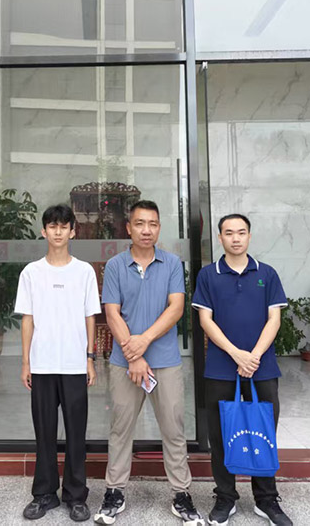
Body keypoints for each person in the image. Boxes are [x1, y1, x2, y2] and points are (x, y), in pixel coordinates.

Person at [94, 200, 204, 526]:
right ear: (128, 228)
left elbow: (176, 308)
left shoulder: (172, 264)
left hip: (165, 362)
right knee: (120, 429)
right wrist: (135, 354)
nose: (146, 230)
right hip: (125, 363)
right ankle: (114, 492)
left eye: (153, 224)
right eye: (140, 223)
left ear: (159, 228)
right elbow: (111, 313)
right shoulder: (115, 265)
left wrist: (143, 341)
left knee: (173, 429)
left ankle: (181, 494)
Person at [192, 214, 293, 526]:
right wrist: (236, 354)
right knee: (221, 434)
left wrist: (254, 356)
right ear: (219, 238)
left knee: (264, 432)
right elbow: (205, 320)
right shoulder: (208, 275)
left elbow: (274, 319)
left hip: (262, 368)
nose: (235, 238)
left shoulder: (267, 273)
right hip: (221, 368)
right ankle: (225, 497)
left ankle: (267, 499)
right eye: (229, 233)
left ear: (249, 236)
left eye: (241, 232)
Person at [16, 204, 100, 522]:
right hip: (42, 364)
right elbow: (27, 319)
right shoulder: (31, 272)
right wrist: (26, 362)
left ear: (73, 232)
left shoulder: (84, 271)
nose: (58, 231)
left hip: (75, 365)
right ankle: (44, 494)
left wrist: (90, 358)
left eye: (64, 226)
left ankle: (76, 496)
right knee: (45, 433)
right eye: (53, 226)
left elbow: (90, 317)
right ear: (44, 231)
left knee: (76, 434)